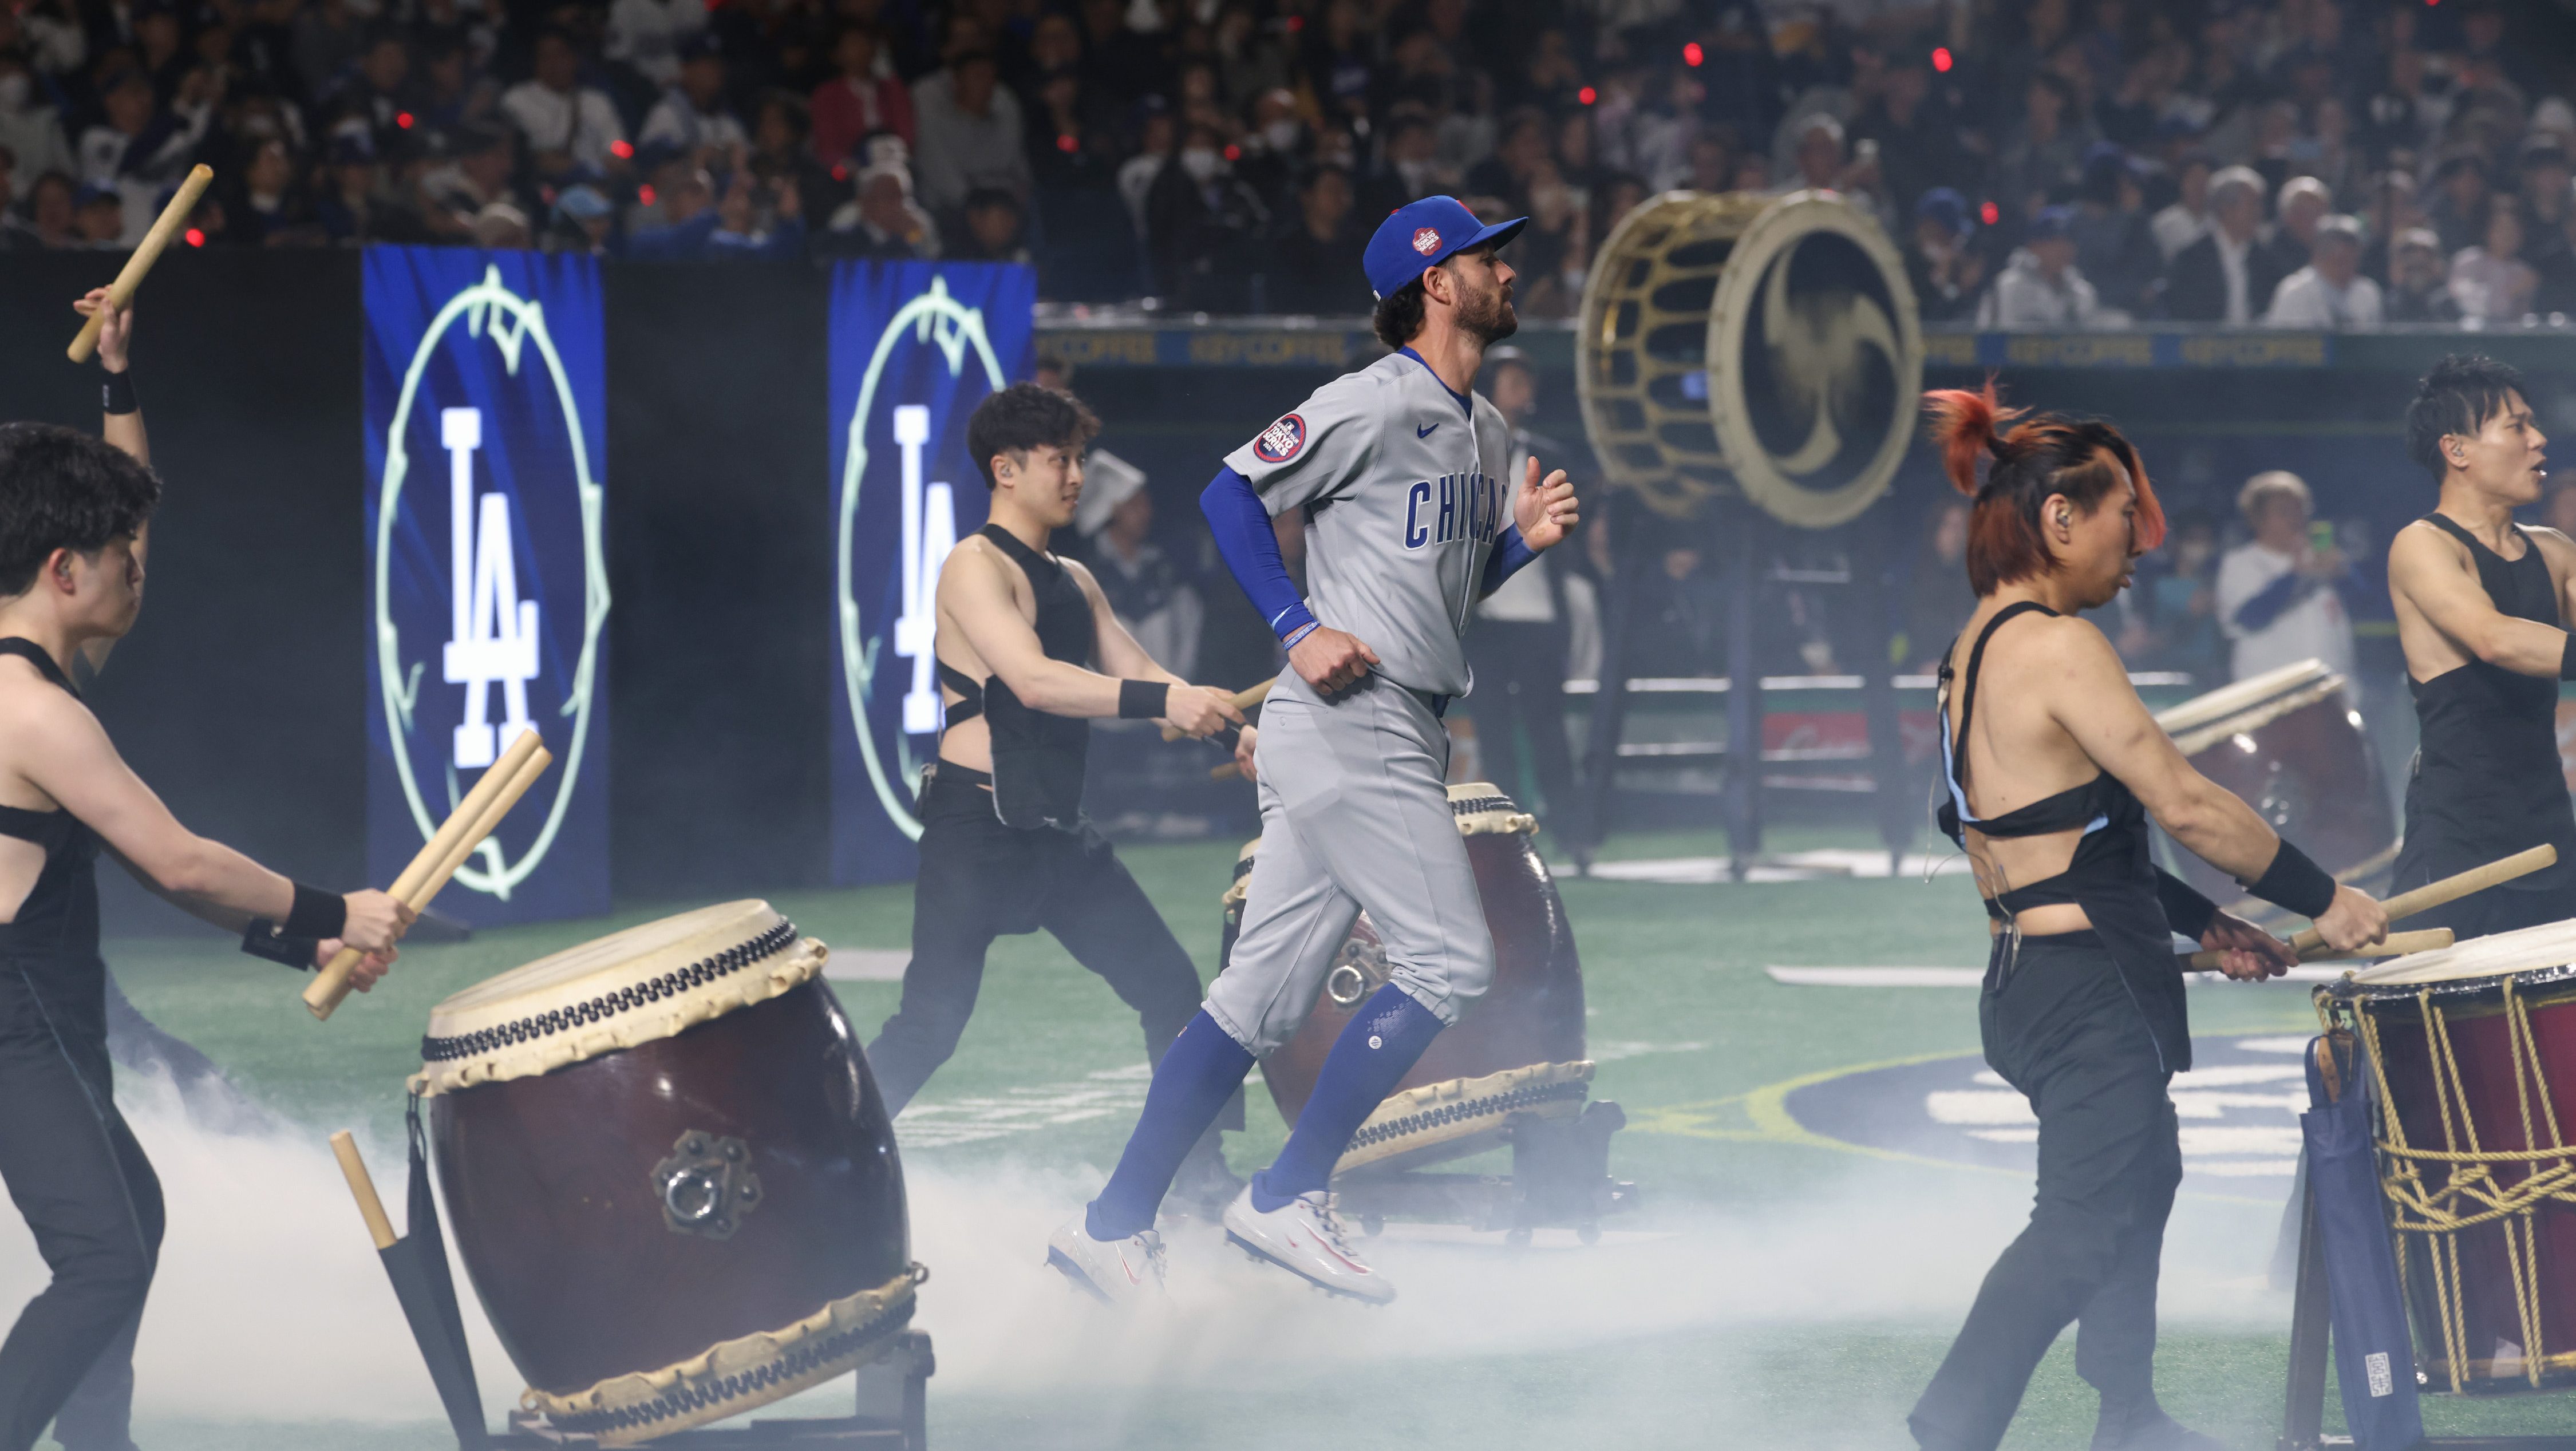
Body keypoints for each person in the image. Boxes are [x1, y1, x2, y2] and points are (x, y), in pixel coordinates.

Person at [1048, 196, 1578, 1305]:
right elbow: (1229, 491)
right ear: (1436, 281)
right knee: (1451, 965)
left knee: (1257, 1002)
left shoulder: (1482, 429)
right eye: (1489, 256)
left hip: (1375, 721)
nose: (1508, 270)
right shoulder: (1373, 400)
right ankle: (1289, 1194)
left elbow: (1441, 591)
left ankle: (1112, 1225)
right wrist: (1296, 623)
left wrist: (1519, 545)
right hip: (1358, 719)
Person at [1909, 382, 2387, 1451]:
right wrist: (2330, 899)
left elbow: (2060, 834)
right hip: (2081, 995)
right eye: (2125, 515)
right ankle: (1952, 1429)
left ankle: (2126, 1412)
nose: (2141, 543)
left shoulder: (1969, 651)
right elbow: (2185, 803)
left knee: (2143, 1175)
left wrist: (2207, 922)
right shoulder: (2058, 645)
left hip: (2034, 982)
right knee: (2079, 1228)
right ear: (2060, 519)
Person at [0, 294, 414, 1451]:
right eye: (117, 556)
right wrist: (339, 907)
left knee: (129, 1219)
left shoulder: (34, 659)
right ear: (61, 569)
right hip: (14, 1019)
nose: (141, 570)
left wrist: (119, 389)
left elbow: (121, 532)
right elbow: (176, 864)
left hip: (41, 1009)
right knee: (104, 1253)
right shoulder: (37, 713)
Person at [862, 384, 1253, 1206]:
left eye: (1078, 458)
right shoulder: (973, 564)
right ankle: (820, 1165)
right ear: (1005, 470)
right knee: (929, 1026)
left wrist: (1230, 731)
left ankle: (1199, 1174)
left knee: (1174, 990)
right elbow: (1035, 682)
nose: (1076, 475)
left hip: (1056, 837)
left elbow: (1139, 668)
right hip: (977, 830)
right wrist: (1164, 704)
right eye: (1059, 460)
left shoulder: (1074, 573)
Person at [2386, 356, 2576, 939]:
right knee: (2411, 1020)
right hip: (2456, 848)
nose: (2539, 440)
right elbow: (2494, 639)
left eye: (2534, 424)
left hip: (2550, 843)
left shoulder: (2555, 551)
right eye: (2517, 427)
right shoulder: (2423, 545)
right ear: (2457, 450)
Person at [1465, 345, 1583, 840]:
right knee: (1493, 731)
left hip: (1538, 614)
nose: (1524, 391)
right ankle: (1507, 838)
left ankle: (1575, 834)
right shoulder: (1461, 453)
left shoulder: (1549, 455)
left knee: (1548, 728)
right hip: (1485, 618)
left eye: (1526, 381)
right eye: (1513, 381)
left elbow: (1572, 526)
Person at [2214, 471, 2357, 688]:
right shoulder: (2240, 563)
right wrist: (2296, 576)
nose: (2296, 518)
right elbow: (2249, 619)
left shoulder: (2323, 558)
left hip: (2332, 691)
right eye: (2284, 511)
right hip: (2268, 695)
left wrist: (2344, 574)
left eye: (2301, 509)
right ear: (2256, 517)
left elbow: (2370, 603)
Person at [2164, 166, 2285, 325]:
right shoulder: (2191, 259)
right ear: (2225, 208)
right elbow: (2183, 314)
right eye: (2252, 204)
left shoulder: (2266, 260)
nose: (2259, 212)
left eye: (2260, 204)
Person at [2263, 215, 2383, 330]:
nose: (2347, 267)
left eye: (2352, 259)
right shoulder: (2295, 292)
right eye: (2340, 260)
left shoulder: (2368, 292)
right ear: (2318, 256)